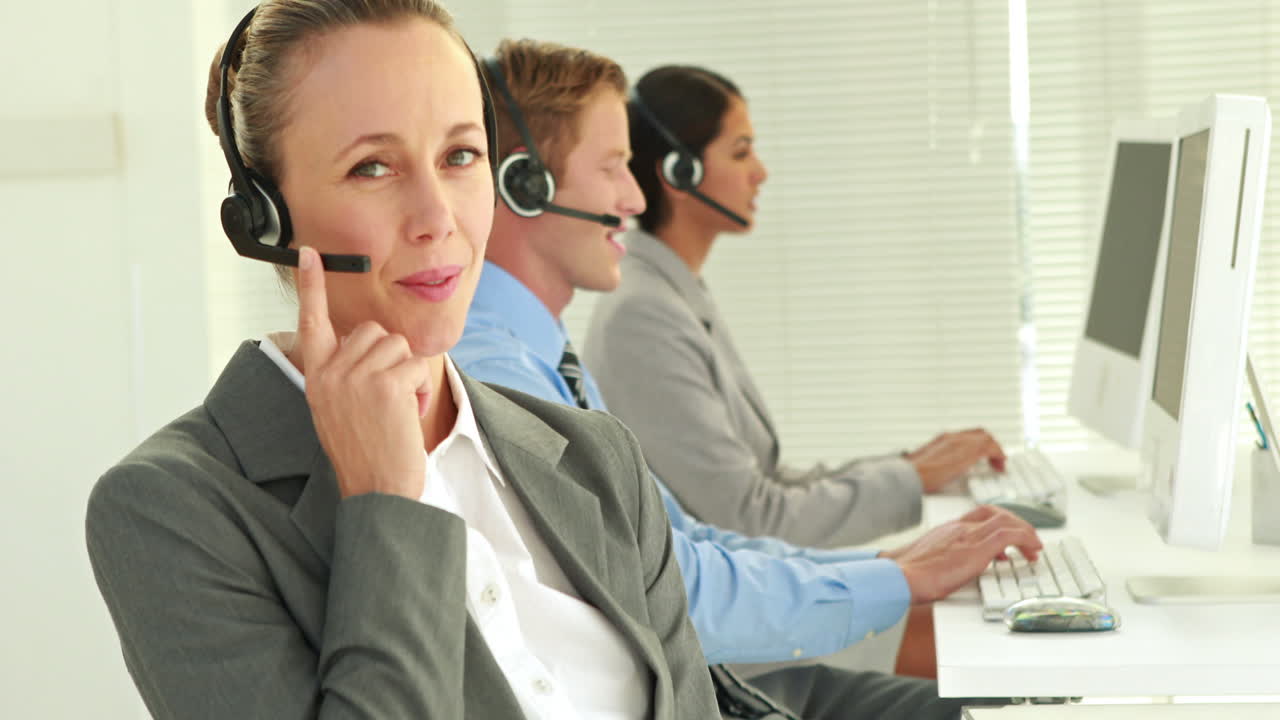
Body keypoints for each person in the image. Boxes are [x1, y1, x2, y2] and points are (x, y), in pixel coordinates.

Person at [83, 3, 718, 718]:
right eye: (373, 167)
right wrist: (383, 505)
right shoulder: (172, 508)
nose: (437, 217)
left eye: (461, 156)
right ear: (264, 217)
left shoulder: (598, 458)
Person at [452, 38, 1042, 720]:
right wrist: (896, 577)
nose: (634, 194)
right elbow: (671, 588)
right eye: (613, 166)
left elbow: (683, 540)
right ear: (527, 186)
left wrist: (884, 565)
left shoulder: (544, 356)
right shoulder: (501, 379)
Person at [582, 65, 1009, 548]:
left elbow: (765, 480)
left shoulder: (674, 290)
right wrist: (910, 480)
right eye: (741, 151)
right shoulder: (644, 317)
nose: (760, 172)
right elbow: (749, 517)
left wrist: (911, 467)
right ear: (681, 173)